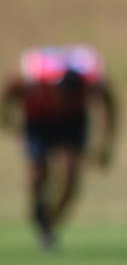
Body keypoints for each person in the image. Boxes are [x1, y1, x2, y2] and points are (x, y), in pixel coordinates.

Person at [1, 45, 117, 251]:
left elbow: (110, 105)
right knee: (38, 174)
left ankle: (49, 227)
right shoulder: (35, 80)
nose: (66, 100)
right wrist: (7, 120)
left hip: (71, 122)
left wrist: (106, 144)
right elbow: (9, 91)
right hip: (39, 120)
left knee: (71, 174)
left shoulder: (91, 84)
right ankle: (38, 209)